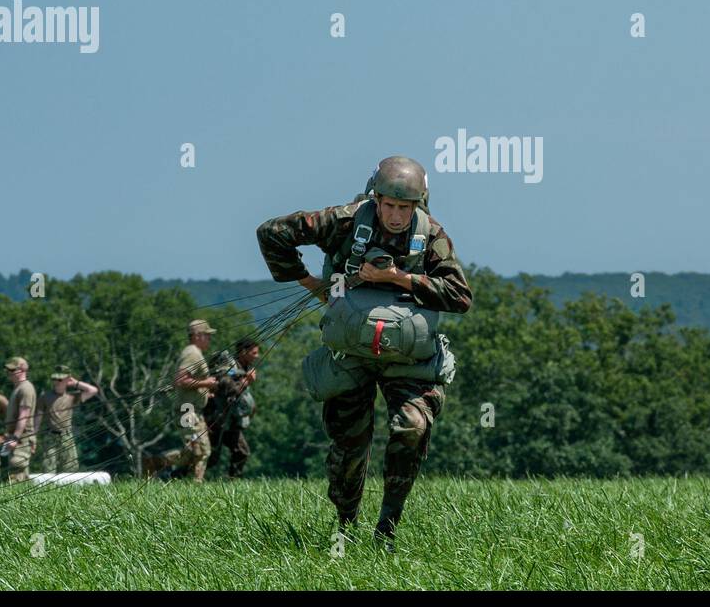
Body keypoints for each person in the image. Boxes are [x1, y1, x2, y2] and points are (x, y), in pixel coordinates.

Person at [256, 155, 473, 551]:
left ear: (419, 205)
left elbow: (460, 296)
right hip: (350, 351)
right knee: (349, 444)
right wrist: (312, 284)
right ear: (376, 197)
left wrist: (398, 278)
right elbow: (272, 233)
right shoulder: (344, 220)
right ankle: (345, 525)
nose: (394, 215)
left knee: (411, 428)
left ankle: (387, 529)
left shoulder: (432, 234)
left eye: (404, 207)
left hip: (409, 358)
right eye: (388, 205)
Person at [153, 320, 219, 482]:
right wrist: (206, 383)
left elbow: (188, 383)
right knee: (200, 450)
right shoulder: (192, 353)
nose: (209, 339)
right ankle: (160, 462)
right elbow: (180, 380)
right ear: (197, 336)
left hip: (192, 408)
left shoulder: (195, 353)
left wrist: (204, 392)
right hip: (188, 409)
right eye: (207, 335)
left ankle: (163, 465)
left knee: (197, 450)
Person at [205, 341, 258, 479]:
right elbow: (228, 389)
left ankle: (233, 482)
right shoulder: (228, 366)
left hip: (231, 420)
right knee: (209, 457)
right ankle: (178, 475)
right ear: (242, 352)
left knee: (241, 452)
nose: (257, 356)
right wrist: (246, 382)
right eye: (254, 353)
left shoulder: (246, 367)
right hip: (217, 419)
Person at [35, 373, 99, 473]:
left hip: (66, 436)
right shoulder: (45, 397)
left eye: (60, 380)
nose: (56, 382)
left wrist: (76, 383)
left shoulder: (72, 396)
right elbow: (38, 417)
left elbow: (93, 390)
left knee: (70, 468)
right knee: (48, 468)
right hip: (50, 437)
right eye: (54, 379)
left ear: (66, 381)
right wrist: (33, 436)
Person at [2, 357, 38, 483]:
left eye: (12, 370)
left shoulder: (25, 388)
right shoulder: (18, 388)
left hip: (21, 438)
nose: (9, 373)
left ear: (23, 370)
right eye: (8, 370)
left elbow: (24, 415)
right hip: (16, 438)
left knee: (16, 473)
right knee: (21, 476)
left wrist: (15, 438)